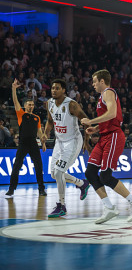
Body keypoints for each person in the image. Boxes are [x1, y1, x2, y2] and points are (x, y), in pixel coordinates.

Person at [81, 70, 132, 224]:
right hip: (104, 136)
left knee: (105, 176)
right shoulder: (101, 96)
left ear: (102, 81)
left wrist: (90, 121)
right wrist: (96, 128)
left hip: (114, 136)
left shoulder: (108, 92)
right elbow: (108, 118)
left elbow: (112, 114)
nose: (93, 84)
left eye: (95, 81)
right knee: (90, 172)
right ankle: (109, 208)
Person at [42, 79, 91, 218]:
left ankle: (62, 205)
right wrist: (46, 134)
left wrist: (86, 142)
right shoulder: (50, 103)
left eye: (57, 88)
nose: (53, 90)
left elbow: (86, 121)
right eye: (52, 88)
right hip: (59, 141)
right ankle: (82, 184)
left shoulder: (71, 104)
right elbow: (50, 121)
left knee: (58, 172)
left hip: (73, 141)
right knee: (53, 174)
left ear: (64, 90)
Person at [5, 80, 47, 198]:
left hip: (34, 143)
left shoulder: (37, 118)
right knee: (17, 166)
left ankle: (41, 189)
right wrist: (13, 88)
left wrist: (43, 143)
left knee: (39, 166)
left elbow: (39, 133)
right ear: (25, 106)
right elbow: (15, 100)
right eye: (29, 104)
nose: (31, 106)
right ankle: (11, 189)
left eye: (32, 105)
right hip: (23, 143)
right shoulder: (21, 114)